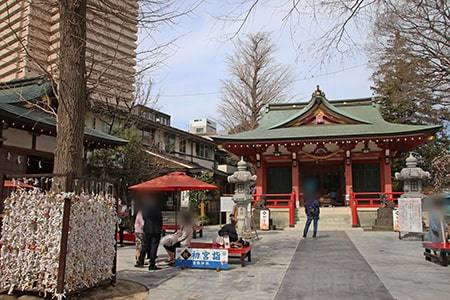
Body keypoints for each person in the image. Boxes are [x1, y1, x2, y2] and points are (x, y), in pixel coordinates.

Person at [135, 194, 163, 270]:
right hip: (156, 229)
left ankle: (140, 261)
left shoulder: (145, 207)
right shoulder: (157, 207)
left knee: (145, 245)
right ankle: (152, 264)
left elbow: (144, 217)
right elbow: (160, 218)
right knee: (154, 247)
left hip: (147, 228)